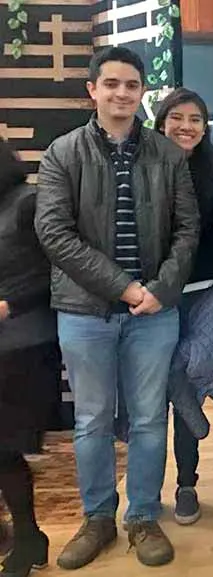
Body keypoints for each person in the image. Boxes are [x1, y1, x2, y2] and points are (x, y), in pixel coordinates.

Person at [33, 46, 199, 569]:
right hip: (85, 313)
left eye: (132, 85)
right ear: (93, 90)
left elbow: (187, 229)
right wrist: (126, 288)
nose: (122, 93)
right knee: (93, 420)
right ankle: (98, 517)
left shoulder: (166, 155)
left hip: (155, 312)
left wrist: (160, 290)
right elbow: (53, 233)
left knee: (151, 419)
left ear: (142, 91)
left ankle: (143, 517)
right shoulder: (64, 153)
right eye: (112, 84)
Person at [153, 87, 213, 527]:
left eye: (196, 119)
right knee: (157, 395)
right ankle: (145, 497)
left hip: (206, 294)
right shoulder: (141, 168)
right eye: (178, 117)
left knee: (185, 374)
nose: (186, 126)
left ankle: (187, 484)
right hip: (154, 298)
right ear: (162, 120)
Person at [0, 139, 60, 577]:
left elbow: (53, 270)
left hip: (21, 345)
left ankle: (27, 536)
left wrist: (7, 304)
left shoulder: (26, 203)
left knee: (3, 450)